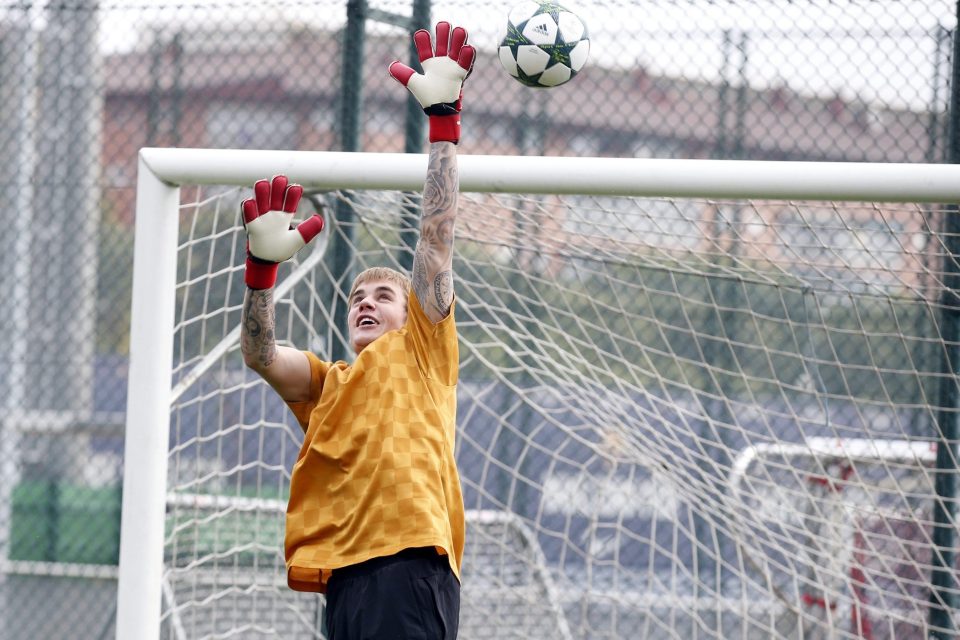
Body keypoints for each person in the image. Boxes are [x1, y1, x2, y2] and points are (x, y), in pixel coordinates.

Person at [239, 21, 476, 640]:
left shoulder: (423, 347)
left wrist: (444, 125)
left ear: (410, 311)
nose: (366, 304)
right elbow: (261, 353)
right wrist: (261, 273)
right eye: (357, 298)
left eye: (383, 296)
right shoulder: (329, 385)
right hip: (344, 579)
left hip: (411, 563)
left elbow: (435, 241)